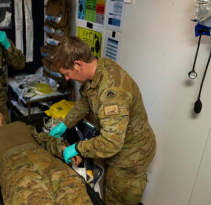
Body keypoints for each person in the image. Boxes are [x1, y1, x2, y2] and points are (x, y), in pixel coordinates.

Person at [49, 36, 156, 205]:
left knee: (117, 199)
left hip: (131, 155)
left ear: (78, 64)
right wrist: (65, 124)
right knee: (108, 189)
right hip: (119, 147)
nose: (67, 79)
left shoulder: (112, 92)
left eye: (67, 74)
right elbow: (85, 102)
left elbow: (111, 143)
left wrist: (77, 148)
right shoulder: (98, 70)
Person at [0, 109, 92, 205]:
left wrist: (63, 148)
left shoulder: (20, 125)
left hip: (46, 160)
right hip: (15, 170)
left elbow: (43, 139)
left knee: (75, 195)